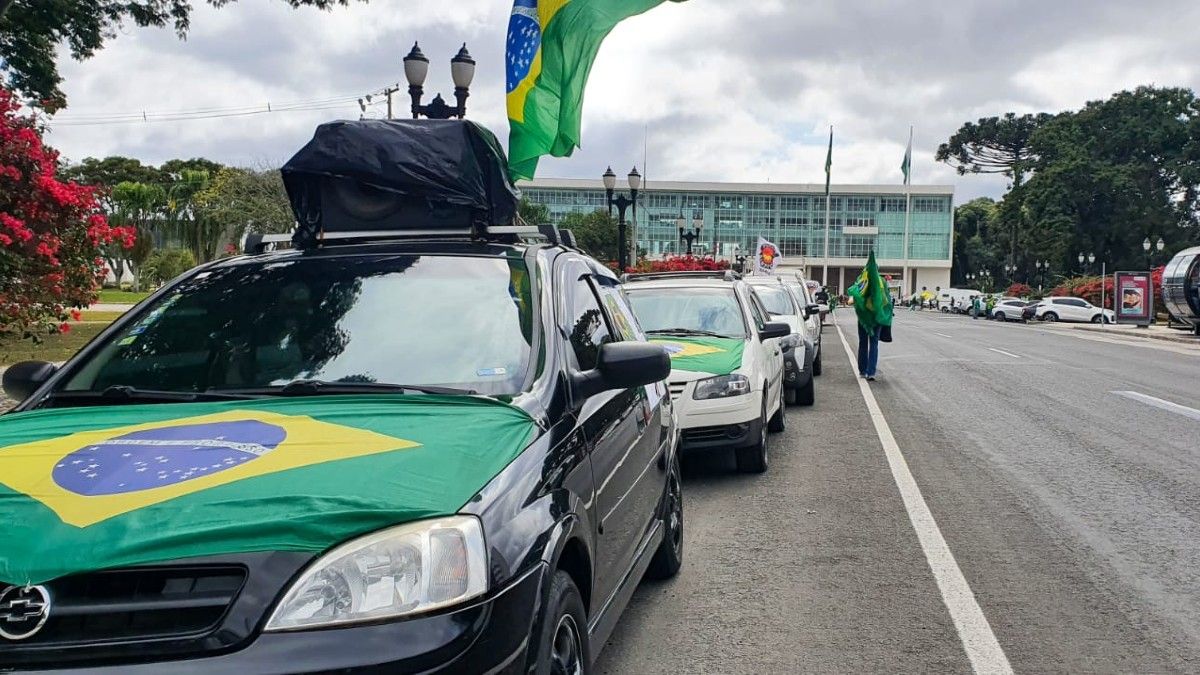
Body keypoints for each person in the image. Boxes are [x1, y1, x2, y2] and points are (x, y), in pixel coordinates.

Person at [849, 252, 893, 382]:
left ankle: (863, 371)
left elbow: (855, 296)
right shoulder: (882, 281)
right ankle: (871, 372)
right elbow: (887, 300)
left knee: (863, 343)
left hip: (864, 318)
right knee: (874, 344)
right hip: (877, 318)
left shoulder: (861, 280)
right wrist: (888, 314)